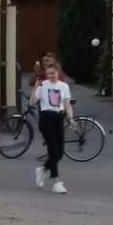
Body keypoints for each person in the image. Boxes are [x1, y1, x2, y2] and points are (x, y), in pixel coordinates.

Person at [31, 64, 74, 194]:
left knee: (60, 153)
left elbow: (67, 105)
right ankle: (56, 182)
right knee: (53, 151)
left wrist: (71, 118)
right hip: (46, 119)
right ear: (46, 74)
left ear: (58, 73)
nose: (51, 76)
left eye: (53, 73)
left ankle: (43, 169)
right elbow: (32, 102)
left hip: (59, 119)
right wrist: (35, 87)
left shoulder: (64, 86)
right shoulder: (43, 86)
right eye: (49, 73)